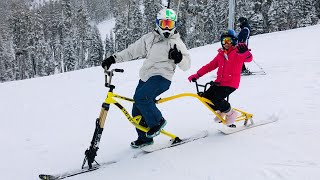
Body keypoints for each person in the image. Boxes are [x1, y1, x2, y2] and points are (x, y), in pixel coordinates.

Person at [102, 8, 191, 148]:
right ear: (158, 23)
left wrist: (179, 58)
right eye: (164, 24)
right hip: (145, 77)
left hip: (162, 77)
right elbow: (131, 51)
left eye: (170, 24)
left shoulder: (176, 43)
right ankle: (144, 138)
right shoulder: (149, 39)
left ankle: (157, 121)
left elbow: (187, 65)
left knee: (141, 98)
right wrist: (113, 58)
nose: (167, 28)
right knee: (137, 110)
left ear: (175, 25)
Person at [187, 29, 252, 127]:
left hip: (231, 83)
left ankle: (231, 113)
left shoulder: (237, 53)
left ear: (234, 41)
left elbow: (249, 59)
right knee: (205, 97)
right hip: (219, 82)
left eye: (228, 41)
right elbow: (209, 66)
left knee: (217, 98)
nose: (226, 43)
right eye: (224, 41)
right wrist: (197, 75)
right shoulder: (221, 54)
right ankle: (220, 111)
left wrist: (246, 53)